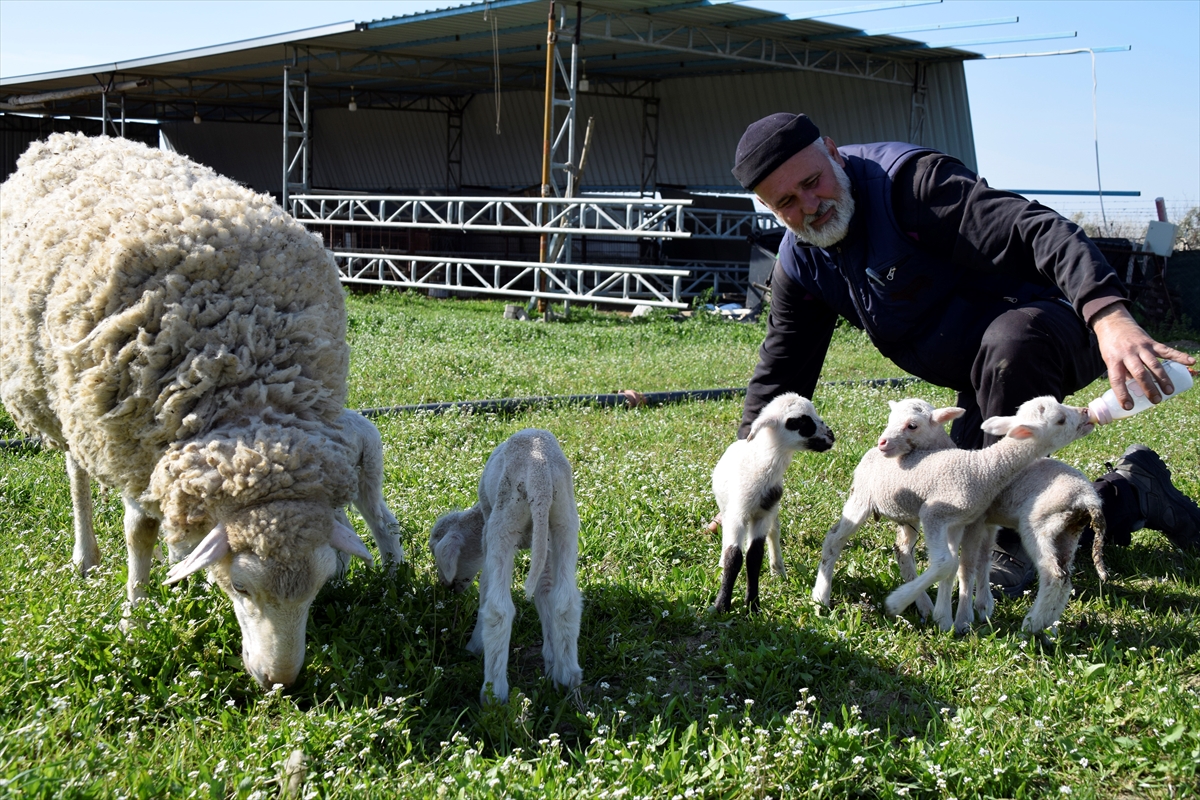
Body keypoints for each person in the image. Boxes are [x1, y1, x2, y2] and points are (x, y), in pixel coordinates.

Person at [729, 112, 1199, 594]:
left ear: (832, 152)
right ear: (768, 207)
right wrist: (743, 483)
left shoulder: (911, 186)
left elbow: (1037, 229)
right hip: (981, 375)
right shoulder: (802, 261)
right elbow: (782, 368)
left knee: (1009, 354)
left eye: (813, 181)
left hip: (1049, 327)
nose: (810, 204)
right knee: (967, 491)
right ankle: (1133, 492)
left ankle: (1006, 552)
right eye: (786, 201)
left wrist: (1109, 317)